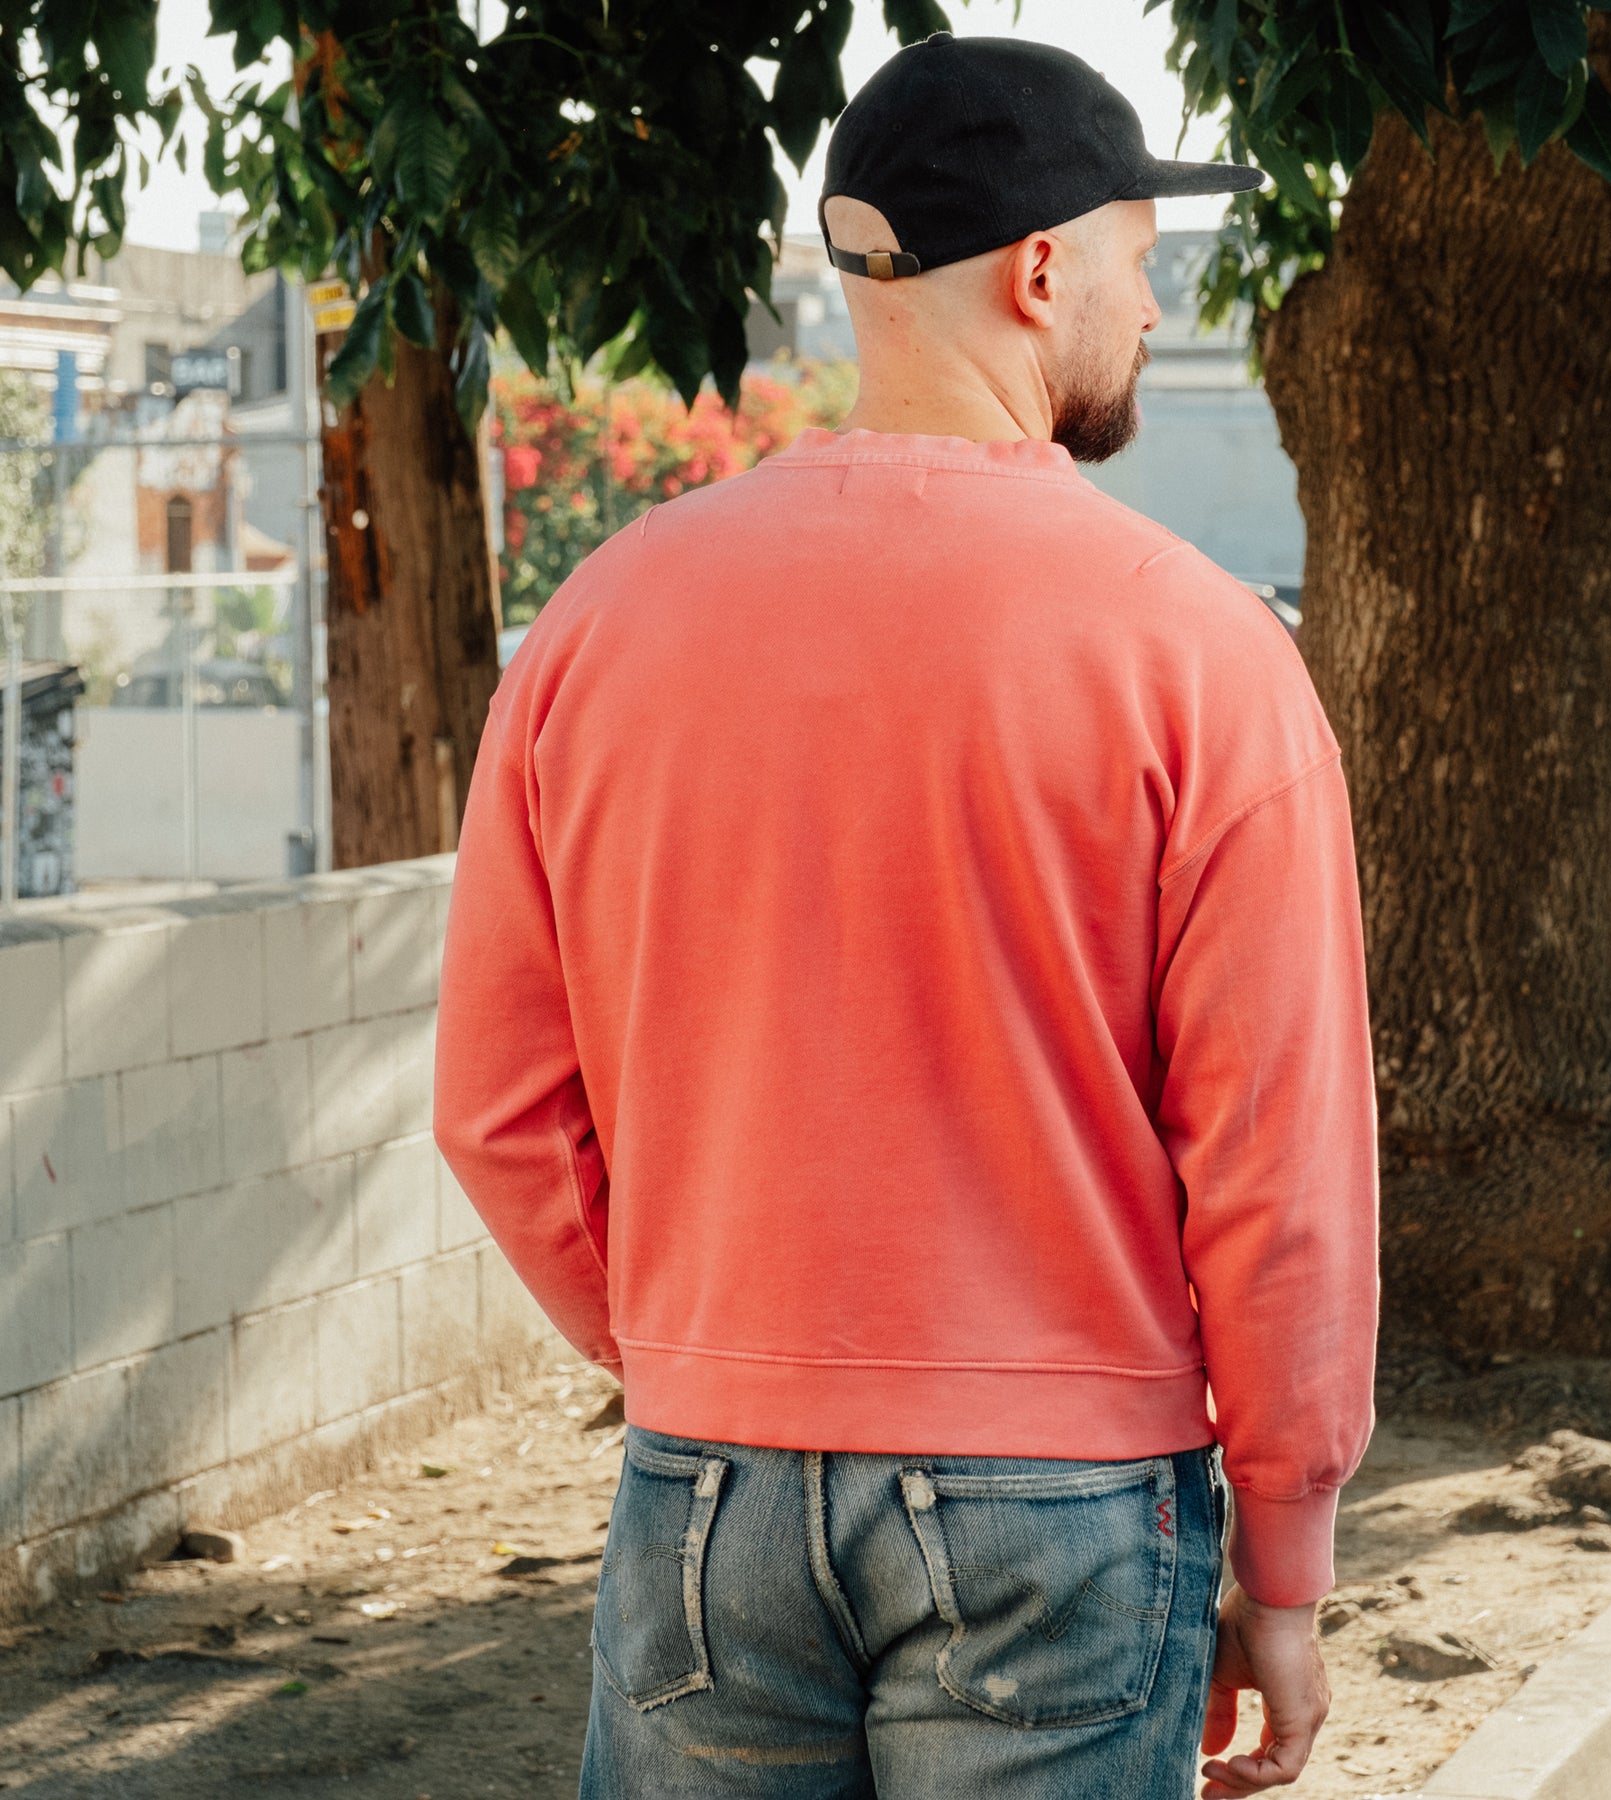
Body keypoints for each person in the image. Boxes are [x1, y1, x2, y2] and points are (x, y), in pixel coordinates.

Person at [435, 32, 1379, 1800]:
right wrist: (1290, 1560)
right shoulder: (1202, 657)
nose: (1151, 306)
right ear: (1041, 271)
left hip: (703, 1477)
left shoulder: (600, 623)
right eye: (1138, 259)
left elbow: (496, 1112)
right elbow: (1279, 1168)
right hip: (1065, 1514)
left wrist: (699, 1349)